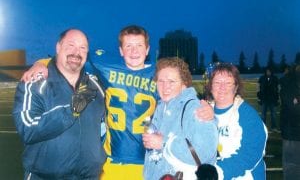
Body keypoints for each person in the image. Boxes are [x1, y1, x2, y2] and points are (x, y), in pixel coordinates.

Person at [21, 25, 214, 180]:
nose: (134, 51)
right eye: (128, 46)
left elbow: (183, 92)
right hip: (112, 162)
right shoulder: (105, 66)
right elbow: (70, 60)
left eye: (139, 45)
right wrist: (41, 63)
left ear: (147, 49)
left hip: (148, 161)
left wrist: (204, 107)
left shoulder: (159, 72)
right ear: (120, 50)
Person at [12, 29, 107, 179]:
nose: (76, 52)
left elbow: (102, 129)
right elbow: (27, 129)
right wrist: (70, 111)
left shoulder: (96, 86)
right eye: (71, 45)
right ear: (58, 47)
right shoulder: (36, 82)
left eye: (83, 48)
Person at [143, 57, 218, 180]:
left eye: (171, 81)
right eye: (161, 81)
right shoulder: (161, 107)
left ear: (184, 84)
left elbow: (204, 152)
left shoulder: (195, 108)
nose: (165, 86)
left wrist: (163, 143)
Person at [204, 63, 268, 179]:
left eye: (228, 83)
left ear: (236, 87)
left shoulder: (247, 115)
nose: (222, 88)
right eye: (217, 83)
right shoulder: (204, 113)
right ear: (210, 87)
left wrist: (217, 172)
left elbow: (249, 155)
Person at [279, 64, 300, 179]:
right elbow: (291, 104)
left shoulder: (287, 80)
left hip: (290, 133)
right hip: (291, 134)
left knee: (292, 170)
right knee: (292, 169)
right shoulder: (288, 82)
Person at [257, 67, 279, 132]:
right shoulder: (262, 78)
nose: (268, 72)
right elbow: (258, 87)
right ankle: (263, 127)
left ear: (271, 72)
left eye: (269, 71)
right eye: (267, 71)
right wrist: (258, 97)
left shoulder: (275, 78)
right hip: (264, 99)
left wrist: (278, 98)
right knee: (263, 115)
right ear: (265, 72)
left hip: (273, 99)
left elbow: (278, 88)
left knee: (273, 115)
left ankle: (274, 127)